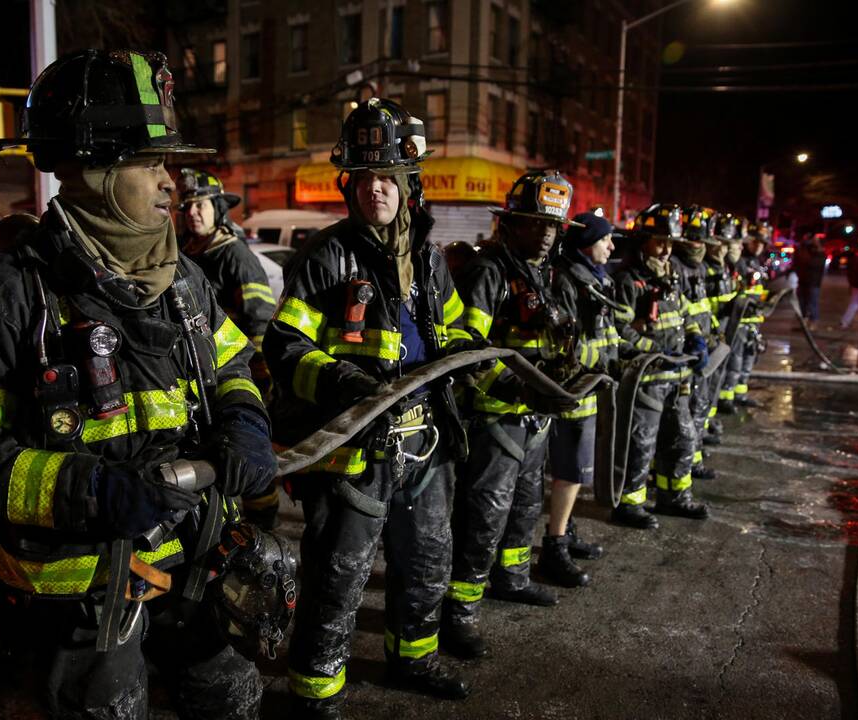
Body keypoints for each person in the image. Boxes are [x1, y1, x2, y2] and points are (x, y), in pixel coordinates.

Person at [0, 50, 278, 719]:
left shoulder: (186, 281)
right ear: (94, 170)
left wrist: (244, 423)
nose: (170, 183)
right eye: (149, 163)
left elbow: (230, 369)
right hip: (77, 602)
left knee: (226, 696)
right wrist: (86, 489)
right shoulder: (7, 295)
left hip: (195, 561)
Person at [263, 98, 473, 719]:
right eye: (365, 178)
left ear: (410, 185)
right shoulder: (327, 256)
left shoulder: (431, 258)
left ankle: (413, 659)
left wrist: (471, 356)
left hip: (425, 443)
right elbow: (284, 345)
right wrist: (338, 381)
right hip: (356, 449)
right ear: (348, 186)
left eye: (389, 178)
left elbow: (453, 330)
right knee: (339, 574)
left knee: (427, 560)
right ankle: (314, 690)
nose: (376, 190)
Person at [441, 170, 582, 657]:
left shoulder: (543, 274)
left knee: (524, 506)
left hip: (533, 416)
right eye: (534, 223)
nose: (545, 232)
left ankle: (513, 577)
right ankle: (459, 612)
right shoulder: (490, 271)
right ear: (510, 224)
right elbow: (467, 347)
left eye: (552, 226)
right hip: (494, 417)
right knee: (483, 517)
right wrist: (513, 386)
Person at [176, 168, 281, 529]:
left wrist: (259, 376)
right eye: (187, 206)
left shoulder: (234, 255)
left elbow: (259, 319)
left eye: (201, 204)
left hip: (234, 370)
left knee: (248, 448)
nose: (193, 213)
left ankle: (263, 522)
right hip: (194, 376)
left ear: (218, 207)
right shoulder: (182, 254)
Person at [610, 203, 709, 530]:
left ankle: (674, 497)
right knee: (641, 444)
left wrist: (696, 339)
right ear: (642, 242)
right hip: (646, 379)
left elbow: (685, 315)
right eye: (660, 242)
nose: (667, 250)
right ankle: (630, 504)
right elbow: (619, 332)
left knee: (681, 438)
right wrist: (655, 349)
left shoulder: (672, 276)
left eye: (670, 242)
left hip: (677, 377)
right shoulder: (628, 280)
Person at [538, 211, 621, 588]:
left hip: (587, 389)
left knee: (572, 474)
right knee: (568, 473)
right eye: (606, 239)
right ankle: (555, 546)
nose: (611, 246)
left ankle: (565, 530)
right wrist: (604, 361)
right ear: (588, 244)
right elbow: (566, 346)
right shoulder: (571, 280)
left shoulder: (592, 278)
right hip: (573, 391)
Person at [673, 206, 722, 481]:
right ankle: (678, 467)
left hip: (702, 346)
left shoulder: (701, 267)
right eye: (694, 240)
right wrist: (692, 339)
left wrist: (712, 334)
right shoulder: (675, 268)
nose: (699, 247)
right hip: (685, 353)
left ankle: (693, 459)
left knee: (699, 408)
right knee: (685, 416)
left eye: (702, 242)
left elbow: (703, 308)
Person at [702, 213, 740, 444]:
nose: (724, 250)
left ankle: (707, 421)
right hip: (710, 336)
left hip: (721, 334)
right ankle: (702, 426)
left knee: (714, 384)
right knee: (705, 386)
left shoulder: (724, 267)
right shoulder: (705, 269)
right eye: (720, 245)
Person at [725, 220, 768, 410]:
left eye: (762, 243)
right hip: (739, 321)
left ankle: (740, 394)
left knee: (748, 359)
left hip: (753, 321)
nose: (759, 246)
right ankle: (726, 396)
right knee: (735, 360)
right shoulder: (739, 263)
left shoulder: (756, 263)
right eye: (755, 242)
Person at [794, 233, 826, 327]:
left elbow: (812, 263)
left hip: (813, 283)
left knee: (812, 303)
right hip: (803, 281)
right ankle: (803, 322)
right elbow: (798, 262)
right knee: (801, 303)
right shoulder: (807, 249)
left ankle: (813, 322)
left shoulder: (819, 253)